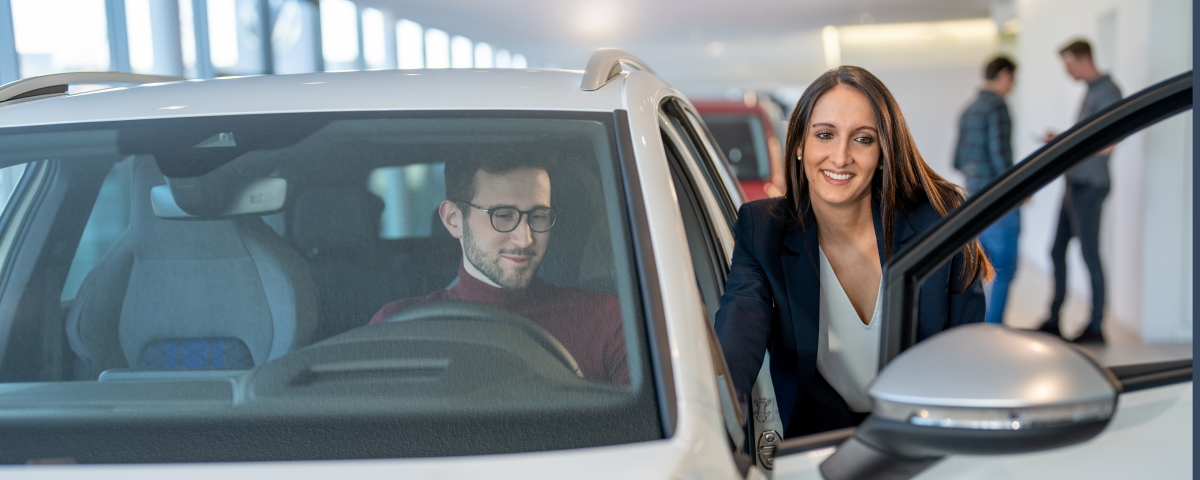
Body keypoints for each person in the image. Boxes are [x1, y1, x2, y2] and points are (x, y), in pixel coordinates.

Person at [715, 66, 989, 438]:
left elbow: (969, 358)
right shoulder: (763, 228)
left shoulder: (940, 223)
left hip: (927, 436)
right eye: (825, 135)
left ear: (883, 152)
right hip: (820, 441)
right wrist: (717, 422)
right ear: (799, 145)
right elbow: (739, 330)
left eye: (862, 139)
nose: (841, 157)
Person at [369, 154, 629, 384]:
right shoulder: (397, 326)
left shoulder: (604, 320)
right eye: (503, 215)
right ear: (453, 220)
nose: (525, 239)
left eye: (539, 216)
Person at [1038, 40, 1122, 344]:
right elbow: (1089, 136)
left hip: (1090, 186)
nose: (1067, 71)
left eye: (1069, 64)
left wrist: (1066, 142)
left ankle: (1096, 327)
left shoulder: (1108, 92)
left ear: (1084, 59)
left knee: (1089, 255)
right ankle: (1053, 320)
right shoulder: (1091, 91)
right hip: (1074, 183)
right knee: (1056, 250)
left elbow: (1109, 144)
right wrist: (1063, 139)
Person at [953, 56, 1019, 325]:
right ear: (1003, 75)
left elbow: (957, 160)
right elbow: (999, 155)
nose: (1013, 85)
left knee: (980, 268)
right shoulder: (997, 107)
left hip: (973, 198)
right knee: (1004, 268)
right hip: (999, 199)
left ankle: (976, 327)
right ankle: (993, 329)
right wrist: (1019, 189)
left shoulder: (969, 109)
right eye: (1013, 79)